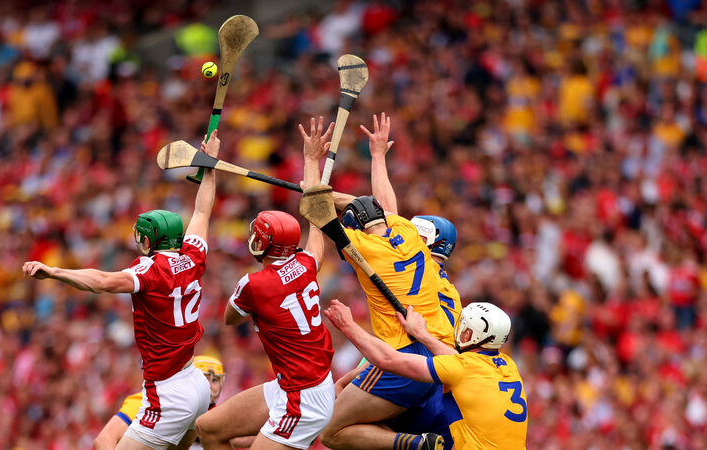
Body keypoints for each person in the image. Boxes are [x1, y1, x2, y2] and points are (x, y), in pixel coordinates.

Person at [23, 131, 221, 450]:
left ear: (149, 240)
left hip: (167, 391)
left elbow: (102, 282)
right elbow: (201, 212)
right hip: (195, 382)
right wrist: (209, 166)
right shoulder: (194, 254)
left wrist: (55, 272)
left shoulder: (149, 270)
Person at [196, 117, 336, 450]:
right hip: (293, 385)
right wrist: (312, 162)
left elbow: (230, 319)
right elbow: (317, 223)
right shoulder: (308, 263)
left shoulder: (253, 285)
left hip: (302, 398)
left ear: (260, 243)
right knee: (208, 428)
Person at [319, 114, 456, 450]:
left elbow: (382, 212)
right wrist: (378, 158)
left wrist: (318, 186)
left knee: (332, 432)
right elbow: (386, 212)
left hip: (410, 364)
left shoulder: (394, 254)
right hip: (434, 371)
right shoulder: (441, 280)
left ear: (428, 241)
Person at [324, 300, 528, 449]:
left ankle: (417, 443)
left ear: (469, 335)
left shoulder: (462, 368)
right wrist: (422, 334)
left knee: (330, 433)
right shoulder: (509, 366)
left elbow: (388, 360)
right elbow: (458, 361)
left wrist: (347, 325)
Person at [95, 355, 227, 450]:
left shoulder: (213, 415)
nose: (209, 386)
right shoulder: (149, 400)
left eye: (215, 380)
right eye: (204, 378)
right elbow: (104, 440)